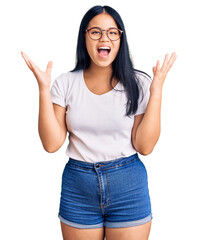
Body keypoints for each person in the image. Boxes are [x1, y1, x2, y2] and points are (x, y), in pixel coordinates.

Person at [21, 5, 176, 240]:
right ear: (84, 37)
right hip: (78, 187)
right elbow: (52, 144)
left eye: (112, 32)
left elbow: (145, 146)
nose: (104, 38)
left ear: (120, 39)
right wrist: (43, 89)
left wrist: (156, 91)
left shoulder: (139, 83)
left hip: (129, 185)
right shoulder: (65, 83)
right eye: (96, 32)